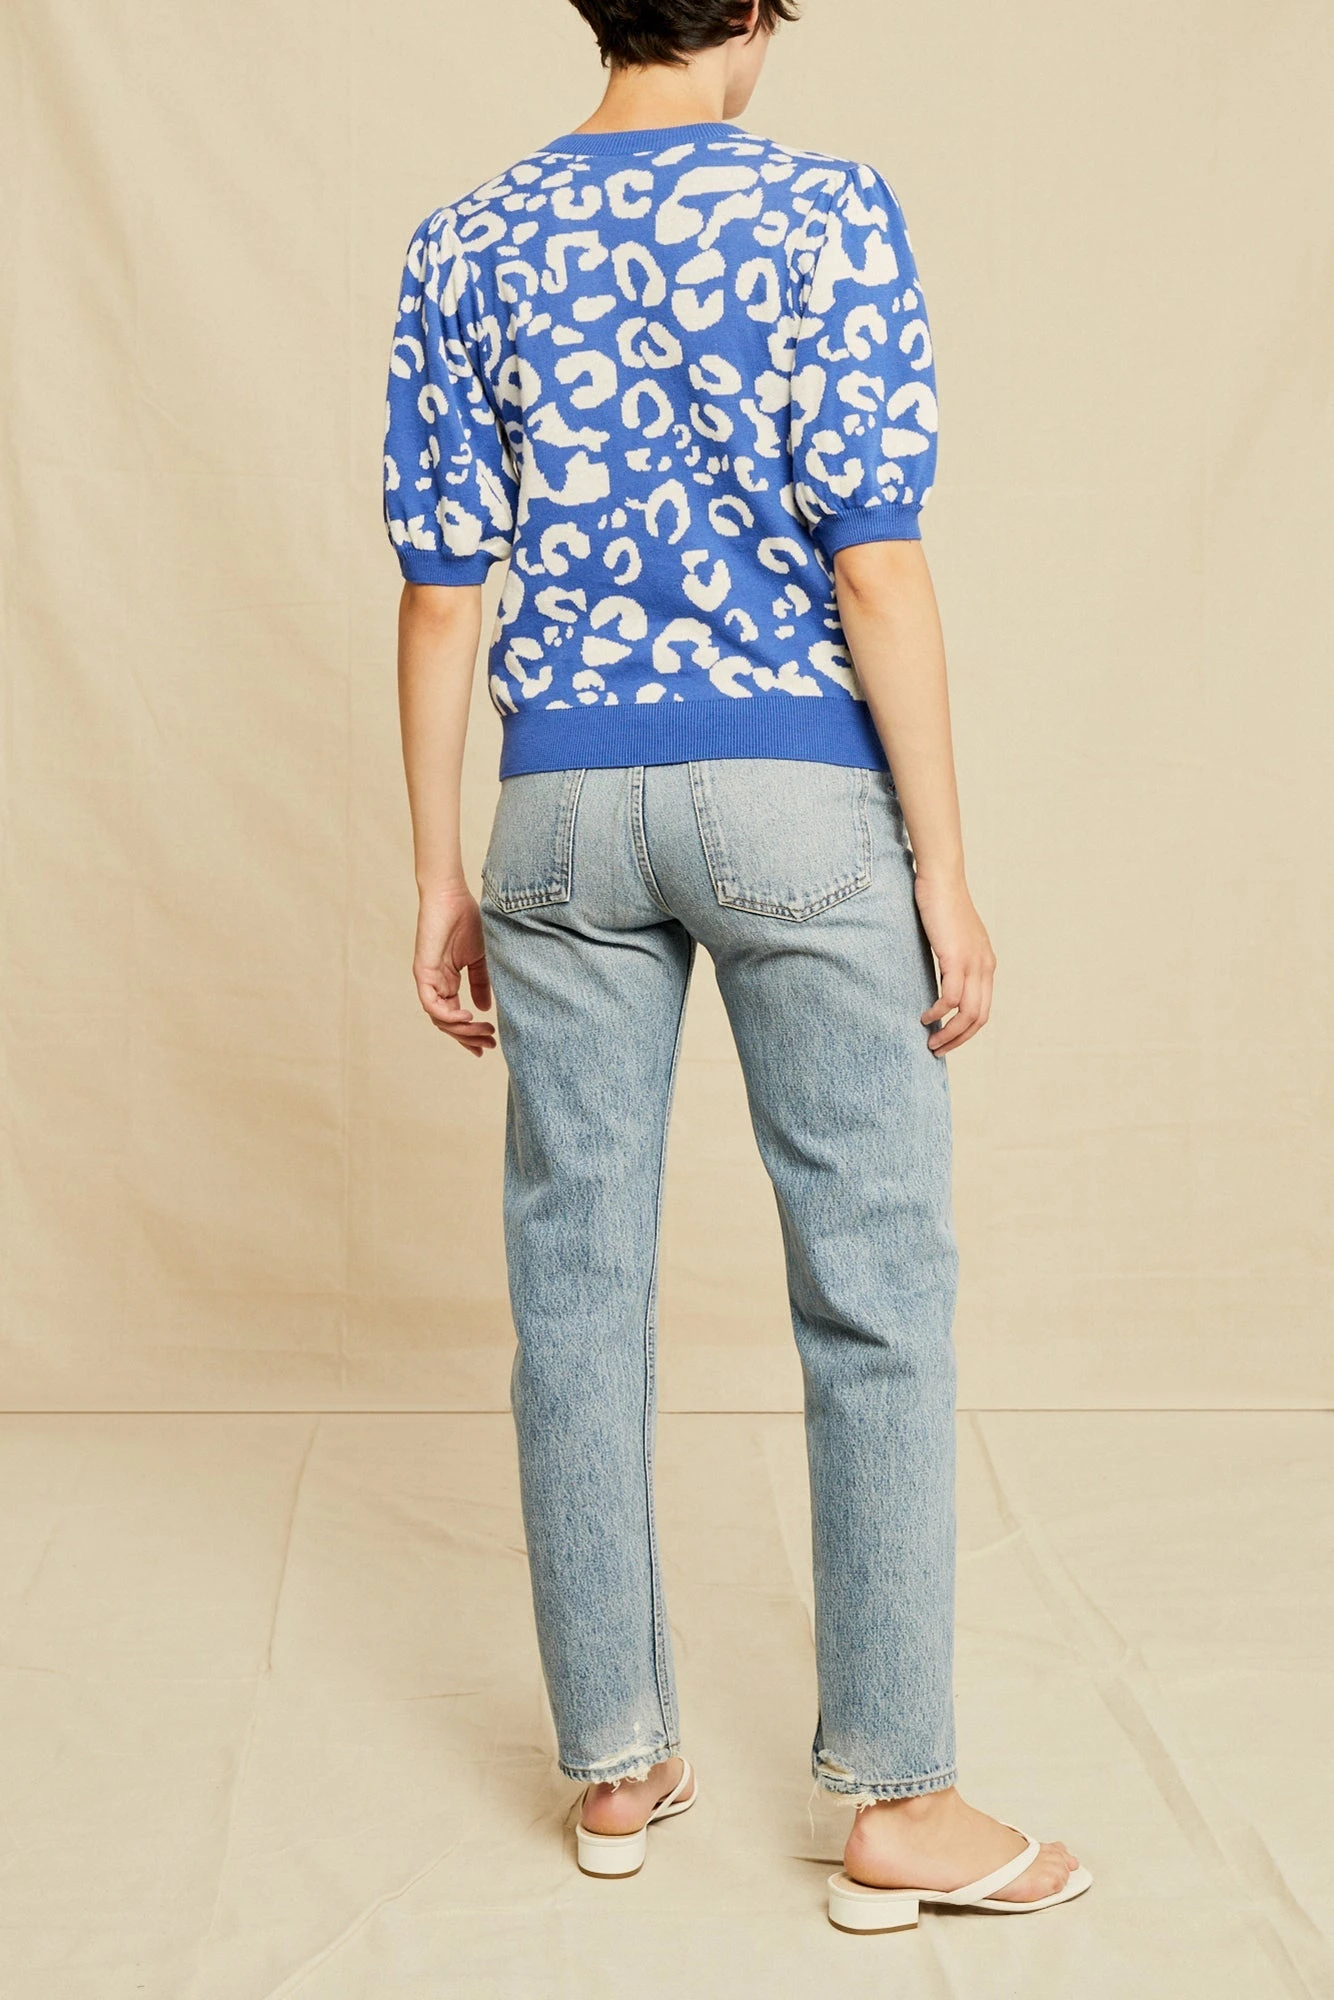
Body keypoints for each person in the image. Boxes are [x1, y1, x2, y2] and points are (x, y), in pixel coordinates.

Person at [383, 0, 1091, 1933]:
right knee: (873, 1287)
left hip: (554, 810)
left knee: (573, 1289)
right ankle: (902, 1802)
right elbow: (875, 560)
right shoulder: (822, 211)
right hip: (793, 799)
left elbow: (441, 589)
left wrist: (438, 869)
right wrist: (944, 868)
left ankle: (615, 1764)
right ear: (757, 9)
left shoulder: (467, 238)